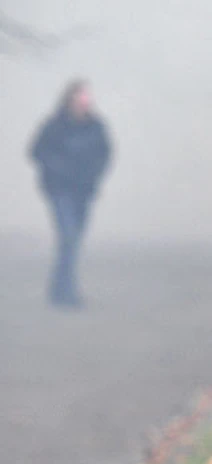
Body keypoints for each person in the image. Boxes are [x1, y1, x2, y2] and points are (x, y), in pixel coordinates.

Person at [29, 79, 111, 307]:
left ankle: (57, 289)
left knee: (72, 242)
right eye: (79, 97)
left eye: (86, 98)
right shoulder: (54, 126)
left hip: (84, 192)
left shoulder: (96, 127)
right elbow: (36, 151)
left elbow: (106, 153)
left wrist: (95, 173)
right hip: (59, 191)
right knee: (69, 238)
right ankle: (68, 293)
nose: (83, 102)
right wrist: (57, 167)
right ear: (69, 99)